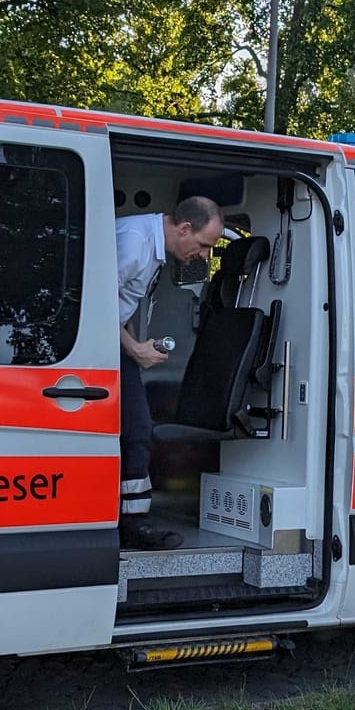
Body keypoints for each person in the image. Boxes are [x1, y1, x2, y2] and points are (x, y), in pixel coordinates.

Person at [115, 195, 224, 551]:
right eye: (204, 244)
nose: (204, 255)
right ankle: (132, 524)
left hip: (116, 344)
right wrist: (133, 350)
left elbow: (118, 305)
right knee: (137, 430)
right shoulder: (134, 244)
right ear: (184, 228)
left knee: (135, 429)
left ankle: (130, 519)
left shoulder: (150, 244)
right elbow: (93, 302)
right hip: (102, 347)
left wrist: (137, 344)